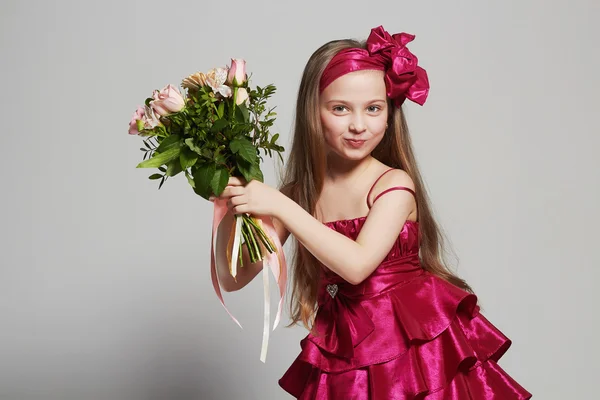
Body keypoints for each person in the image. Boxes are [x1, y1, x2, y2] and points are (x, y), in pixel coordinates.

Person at [212, 25, 532, 399]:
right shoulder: (299, 194)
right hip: (348, 352)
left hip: (416, 352)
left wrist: (281, 204)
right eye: (340, 108)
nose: (359, 125)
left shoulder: (394, 185)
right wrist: (229, 202)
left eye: (373, 109)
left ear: (389, 112)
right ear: (312, 111)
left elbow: (356, 265)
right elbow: (233, 276)